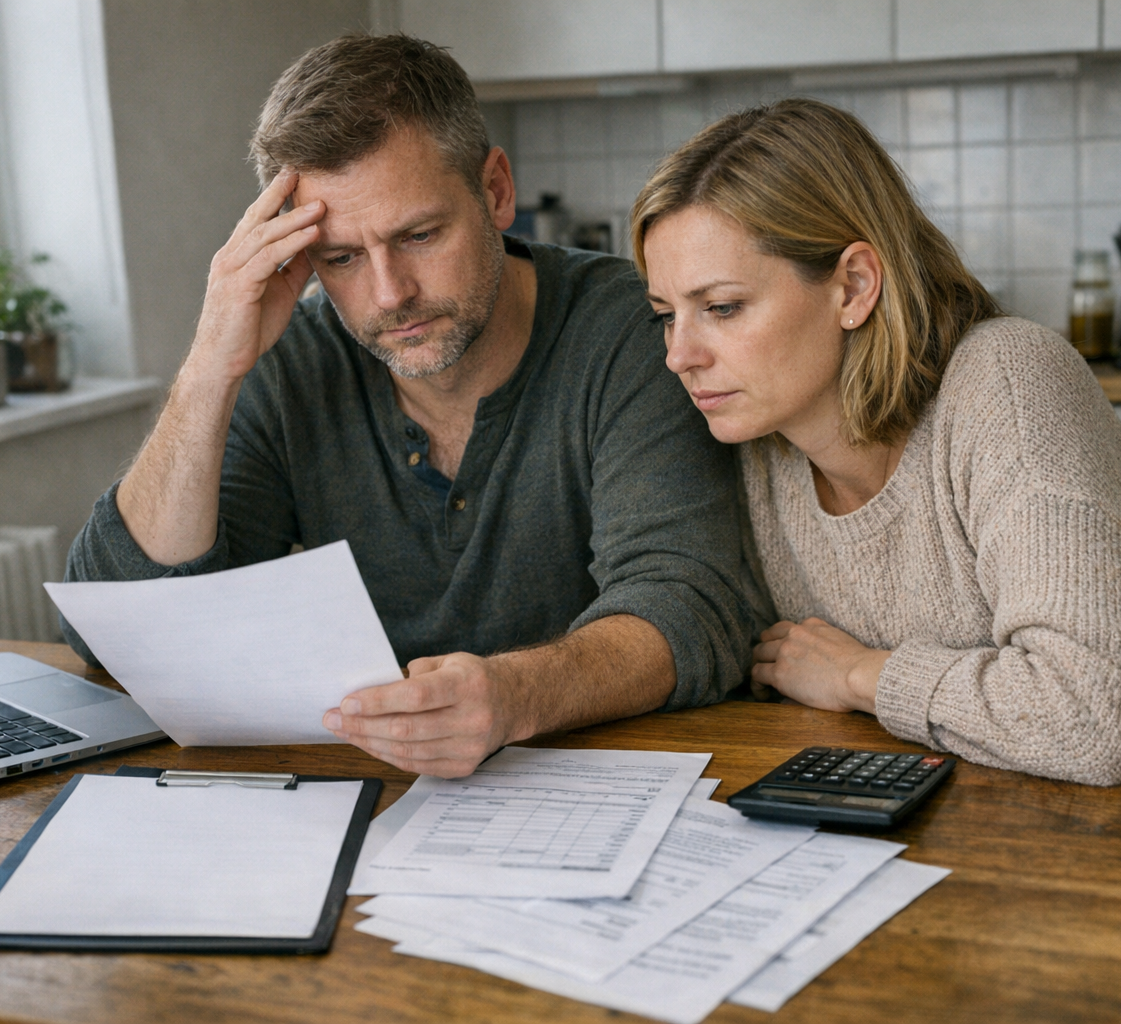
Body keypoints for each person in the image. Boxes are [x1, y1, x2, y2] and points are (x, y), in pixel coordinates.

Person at [63, 35, 766, 778]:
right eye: (340, 258)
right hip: (377, 797)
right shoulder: (293, 357)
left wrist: (513, 694)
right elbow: (113, 630)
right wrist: (211, 365)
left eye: (419, 235)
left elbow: (691, 604)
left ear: (495, 190)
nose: (390, 293)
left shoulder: (632, 329)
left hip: (611, 782)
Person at [632, 98, 1121, 786]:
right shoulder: (758, 446)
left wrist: (861, 675)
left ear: (854, 286)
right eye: (664, 315)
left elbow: (1103, 713)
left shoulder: (1009, 382)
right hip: (969, 823)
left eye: (721, 308)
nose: (679, 355)